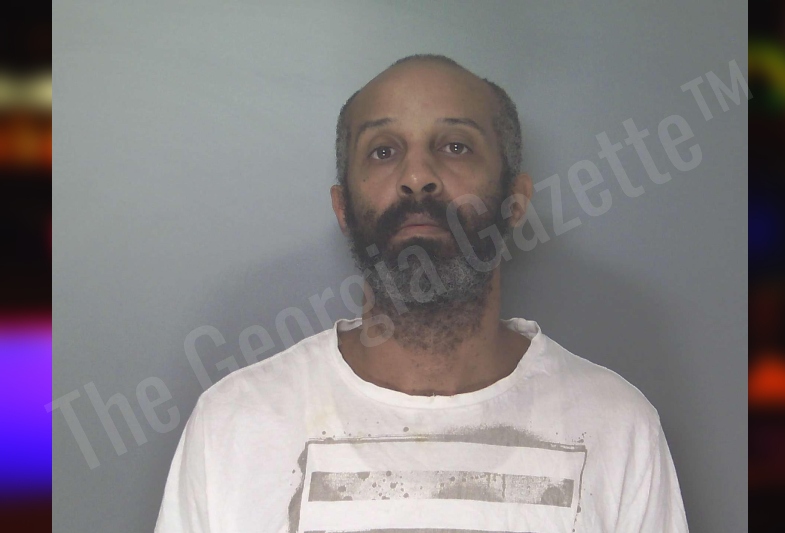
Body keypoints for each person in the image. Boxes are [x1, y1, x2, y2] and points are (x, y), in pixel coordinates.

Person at [155, 54, 690, 533]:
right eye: (383, 151)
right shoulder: (235, 425)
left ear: (515, 202)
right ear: (343, 208)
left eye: (455, 146)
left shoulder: (617, 427)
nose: (417, 176)